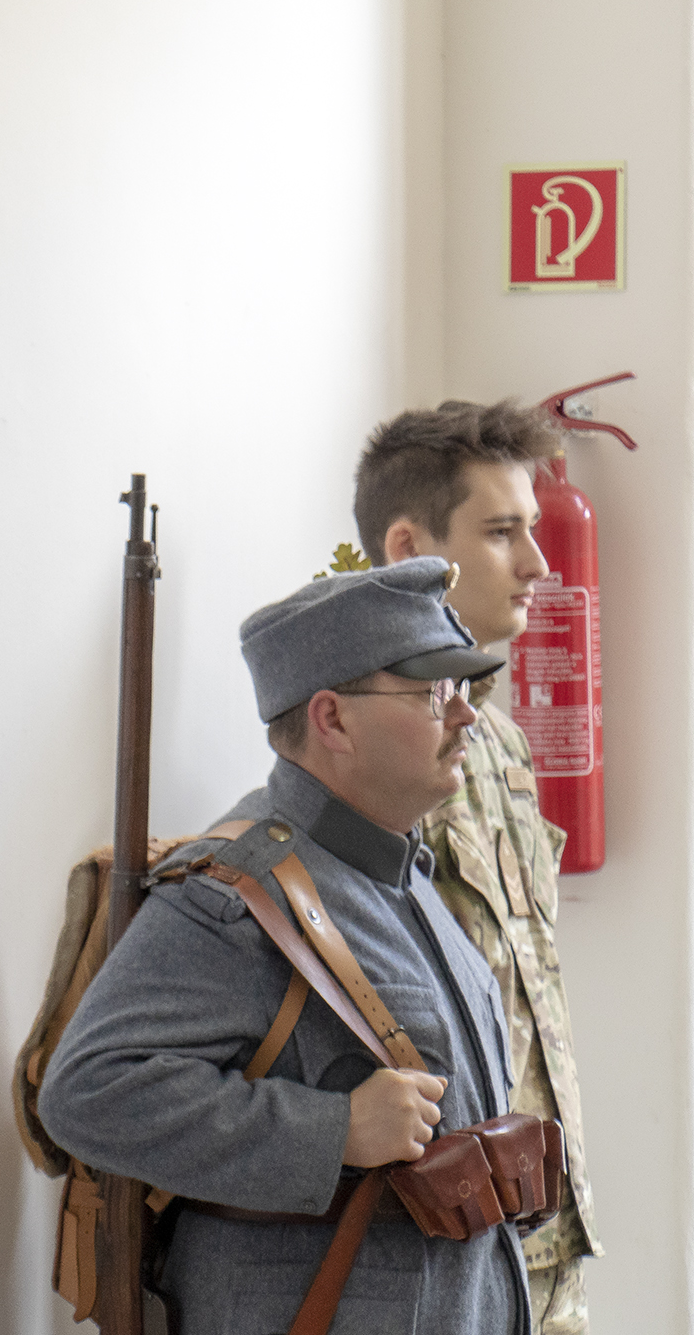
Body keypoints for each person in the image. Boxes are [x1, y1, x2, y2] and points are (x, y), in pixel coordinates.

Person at [38, 558, 529, 1332]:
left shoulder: (399, 871)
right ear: (332, 720)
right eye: (436, 691)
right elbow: (87, 1090)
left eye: (463, 687)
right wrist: (333, 1130)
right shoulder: (237, 892)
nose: (466, 714)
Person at [356, 400, 599, 1331]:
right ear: (409, 547)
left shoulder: (496, 739)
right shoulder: (367, 758)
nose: (538, 563)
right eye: (502, 533)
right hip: (449, 1253)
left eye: (531, 528)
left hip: (544, 1235)